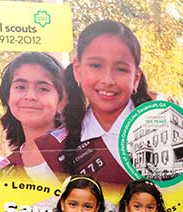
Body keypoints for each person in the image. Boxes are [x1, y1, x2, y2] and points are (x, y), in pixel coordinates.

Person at [36, 20, 152, 185]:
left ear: (136, 78)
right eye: (96, 65)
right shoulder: (55, 146)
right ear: (77, 70)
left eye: (121, 69)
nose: (107, 80)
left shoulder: (162, 132)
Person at [0, 52, 66, 184]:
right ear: (8, 97)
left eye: (43, 88)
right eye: (20, 87)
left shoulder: (82, 152)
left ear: (62, 101)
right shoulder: (1, 173)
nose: (30, 96)